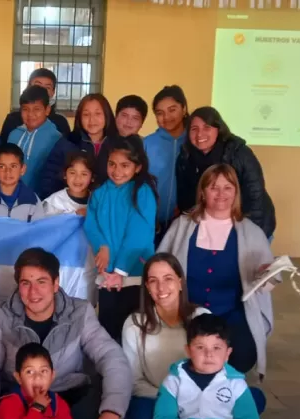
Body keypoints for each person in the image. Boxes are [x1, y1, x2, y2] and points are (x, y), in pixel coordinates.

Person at [0, 248, 131, 419]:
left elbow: (112, 357)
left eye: (42, 282)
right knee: (0, 414)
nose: (33, 292)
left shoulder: (80, 312)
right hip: (21, 401)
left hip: (66, 398)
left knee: (88, 414)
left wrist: (112, 412)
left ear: (56, 284)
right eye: (26, 283)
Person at [158, 164, 275, 378]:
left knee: (242, 354)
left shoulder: (251, 232)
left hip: (232, 315)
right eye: (213, 187)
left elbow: (268, 283)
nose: (221, 194)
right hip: (186, 314)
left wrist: (266, 275)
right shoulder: (182, 226)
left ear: (236, 192)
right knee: (175, 357)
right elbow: (160, 267)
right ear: (202, 192)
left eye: (227, 188)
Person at [121, 253, 209, 419]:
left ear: (180, 282)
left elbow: (217, 371)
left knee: (254, 398)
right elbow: (134, 381)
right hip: (157, 398)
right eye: (153, 281)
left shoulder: (202, 317)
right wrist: (171, 399)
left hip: (200, 397)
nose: (161, 288)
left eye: (168, 278)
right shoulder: (134, 325)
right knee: (139, 415)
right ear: (147, 287)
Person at [84, 135, 157, 344]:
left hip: (133, 275)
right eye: (112, 164)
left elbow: (139, 235)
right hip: (107, 277)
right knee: (108, 331)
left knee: (135, 333)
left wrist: (120, 271)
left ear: (137, 167)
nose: (117, 171)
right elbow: (91, 224)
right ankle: (110, 374)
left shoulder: (142, 192)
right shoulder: (99, 192)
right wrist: (102, 247)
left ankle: (134, 376)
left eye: (125, 165)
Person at [175, 107, 276, 239]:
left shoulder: (239, 153)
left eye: (207, 127)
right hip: (211, 229)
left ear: (219, 129)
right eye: (194, 129)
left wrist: (252, 236)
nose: (200, 134)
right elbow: (186, 200)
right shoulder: (185, 157)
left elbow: (255, 197)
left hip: (249, 225)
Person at [37, 93, 117, 199]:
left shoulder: (117, 145)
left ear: (107, 116)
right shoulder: (67, 143)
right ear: (79, 117)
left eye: (97, 114)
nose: (92, 120)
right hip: (69, 208)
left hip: (107, 207)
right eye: (86, 114)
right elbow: (49, 179)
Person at [144, 85, 189, 239]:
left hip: (184, 224)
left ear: (184, 109)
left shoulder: (194, 142)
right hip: (151, 224)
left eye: (172, 109)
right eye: (160, 113)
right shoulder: (148, 143)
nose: (166, 117)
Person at [7, 86, 61, 193]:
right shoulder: (13, 135)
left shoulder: (56, 138)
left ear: (47, 110)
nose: (30, 114)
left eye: (37, 109)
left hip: (41, 200)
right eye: (25, 109)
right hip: (12, 197)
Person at [0, 68, 71, 143]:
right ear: (28, 87)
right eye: (38, 85)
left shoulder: (60, 122)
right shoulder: (12, 120)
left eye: (47, 87)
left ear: (53, 92)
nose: (42, 90)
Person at [0, 143, 41, 221]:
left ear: (22, 169)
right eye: (2, 166)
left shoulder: (33, 201)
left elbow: (39, 231)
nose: (8, 172)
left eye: (13, 166)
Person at [42, 150, 93, 217]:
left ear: (92, 177)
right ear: (65, 175)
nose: (77, 178)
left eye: (84, 174)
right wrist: (74, 215)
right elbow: (43, 225)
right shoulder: (53, 203)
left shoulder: (97, 201)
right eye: (72, 173)